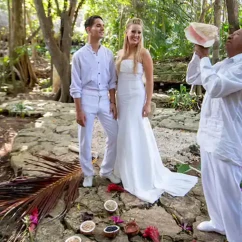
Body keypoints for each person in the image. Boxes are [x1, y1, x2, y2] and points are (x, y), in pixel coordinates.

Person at [114, 18, 197, 204]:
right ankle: (123, 169)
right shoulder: (119, 54)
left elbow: (150, 80)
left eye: (139, 32)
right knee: (124, 133)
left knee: (136, 132)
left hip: (136, 98)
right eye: (133, 31)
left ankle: (140, 172)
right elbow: (116, 80)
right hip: (123, 98)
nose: (136, 35)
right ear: (126, 33)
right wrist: (113, 101)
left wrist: (147, 103)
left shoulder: (144, 53)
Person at [186, 29, 242, 242]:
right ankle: (219, 222)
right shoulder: (224, 65)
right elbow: (193, 76)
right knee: (210, 185)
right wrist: (198, 54)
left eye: (237, 34)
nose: (230, 35)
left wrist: (206, 57)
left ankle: (237, 236)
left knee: (231, 196)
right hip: (209, 135)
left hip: (227, 140)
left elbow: (216, 87)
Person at [70, 15, 121, 187]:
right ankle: (88, 173)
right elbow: (75, 86)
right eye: (98, 25)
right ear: (88, 29)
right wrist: (79, 110)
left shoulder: (108, 54)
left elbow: (112, 81)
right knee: (85, 138)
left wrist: (112, 102)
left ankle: (106, 170)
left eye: (103, 26)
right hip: (87, 99)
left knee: (115, 134)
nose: (102, 28)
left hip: (105, 99)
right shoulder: (78, 56)